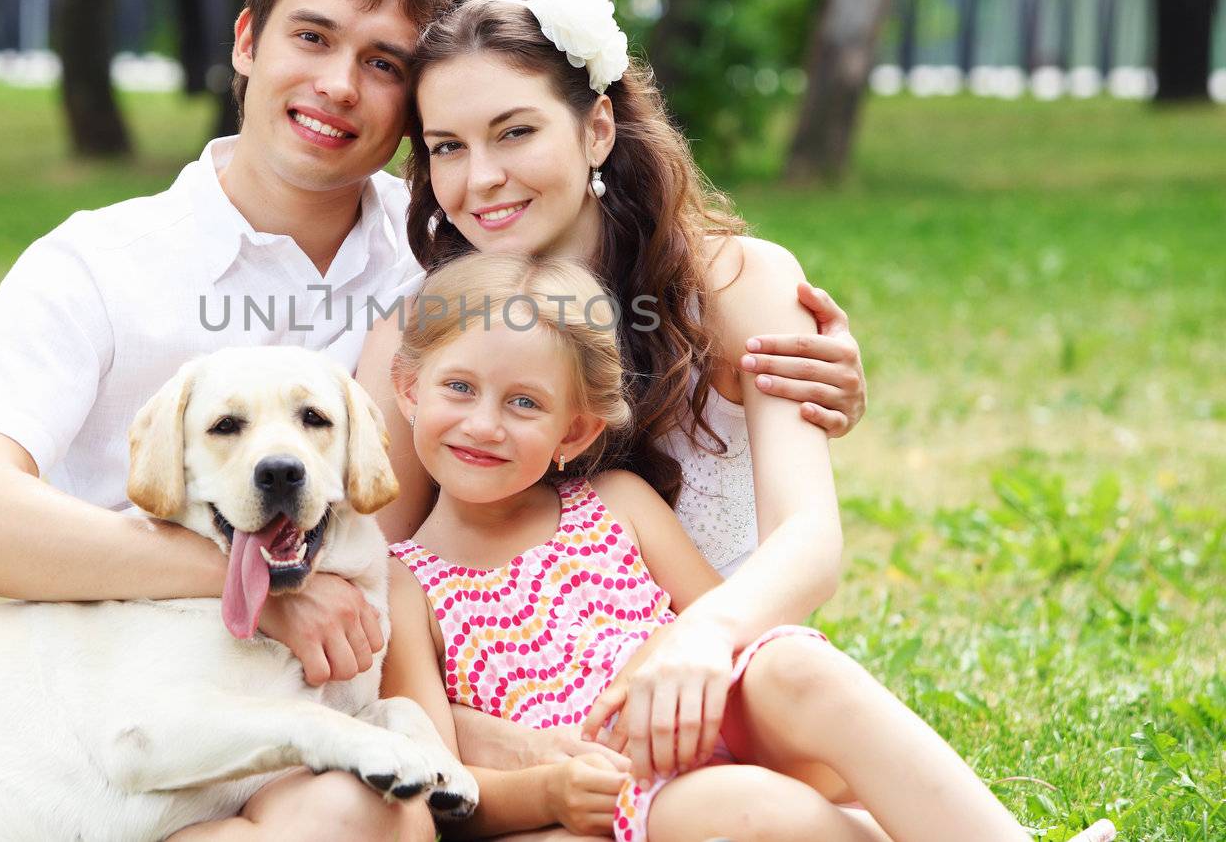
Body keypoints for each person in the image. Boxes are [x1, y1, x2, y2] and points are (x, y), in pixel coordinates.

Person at [0, 0, 862, 836]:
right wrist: (258, 582)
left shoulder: (445, 256)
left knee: (323, 808)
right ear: (245, 43)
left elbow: (568, 344)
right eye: (311, 39)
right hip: (10, 675)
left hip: (235, 714)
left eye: (383, 65)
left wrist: (793, 355)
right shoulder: (102, 256)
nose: (336, 85)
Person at [380, 251, 1116, 842]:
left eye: (524, 402)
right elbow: (437, 780)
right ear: (409, 388)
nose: (484, 423)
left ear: (574, 431)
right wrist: (549, 789)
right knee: (744, 809)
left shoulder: (615, 505)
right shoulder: (405, 585)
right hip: (612, 799)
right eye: (459, 387)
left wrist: (669, 666)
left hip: (708, 728)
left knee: (794, 662)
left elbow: (731, 627)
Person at [357, 0, 869, 778]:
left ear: (598, 128)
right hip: (539, 734)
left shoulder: (740, 287)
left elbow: (809, 541)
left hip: (731, 677)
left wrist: (700, 634)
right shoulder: (421, 333)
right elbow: (367, 591)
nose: (479, 177)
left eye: (514, 131)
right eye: (446, 146)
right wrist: (500, 746)